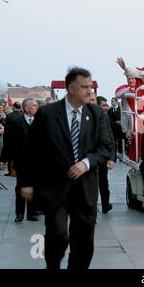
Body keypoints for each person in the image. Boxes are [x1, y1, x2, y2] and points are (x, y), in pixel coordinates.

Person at [21, 67, 114, 270]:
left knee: (84, 240)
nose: (90, 91)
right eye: (84, 87)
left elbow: (106, 147)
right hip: (55, 187)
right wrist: (26, 183)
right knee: (57, 235)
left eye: (91, 86)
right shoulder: (47, 114)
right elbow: (31, 151)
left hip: (85, 189)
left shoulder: (97, 114)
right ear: (71, 88)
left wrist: (86, 163)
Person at [0, 98, 39, 223]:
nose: (36, 107)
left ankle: (32, 213)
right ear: (26, 108)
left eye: (37, 105)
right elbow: (8, 142)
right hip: (21, 160)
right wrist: (3, 159)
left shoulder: (41, 122)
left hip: (37, 161)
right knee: (21, 186)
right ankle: (20, 213)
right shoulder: (16, 122)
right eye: (34, 105)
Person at [95, 96, 116, 214]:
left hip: (103, 156)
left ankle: (105, 205)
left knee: (104, 183)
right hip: (90, 156)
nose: (106, 107)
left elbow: (111, 138)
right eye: (103, 105)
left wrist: (111, 158)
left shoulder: (106, 118)